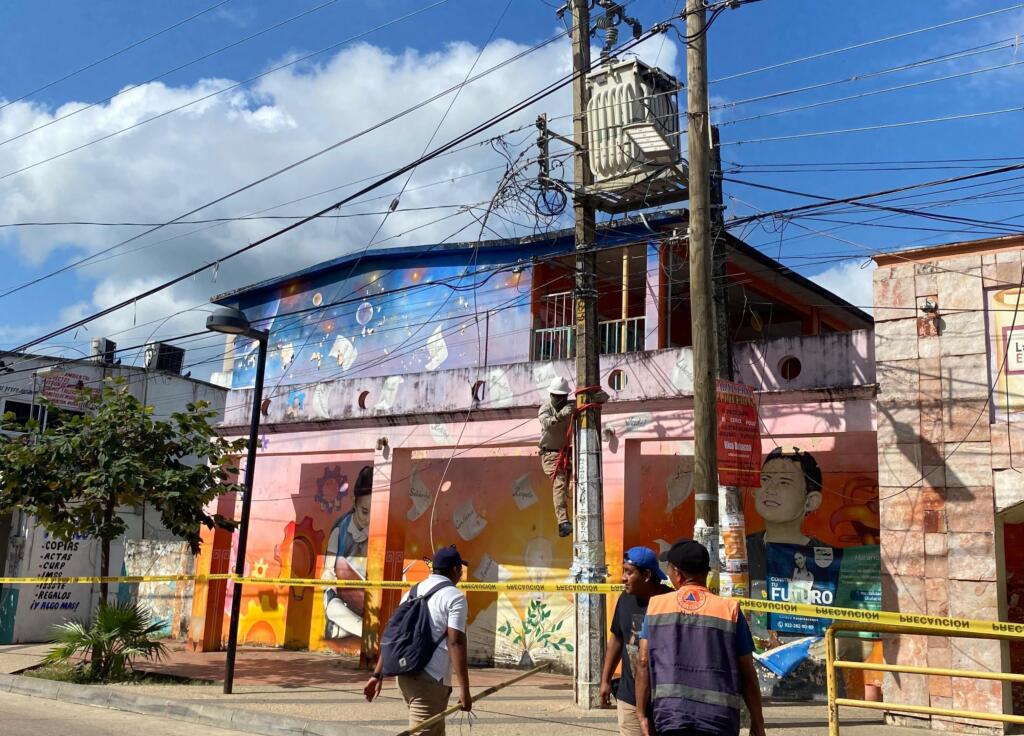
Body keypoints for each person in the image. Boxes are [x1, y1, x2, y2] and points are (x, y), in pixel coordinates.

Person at [635, 539, 766, 736]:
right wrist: (758, 722)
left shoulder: (656, 607)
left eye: (669, 569)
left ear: (677, 573)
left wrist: (642, 715)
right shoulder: (728, 609)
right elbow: (747, 672)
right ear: (706, 572)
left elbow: (643, 663)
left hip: (671, 717)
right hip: (719, 720)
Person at [364, 545, 472, 736]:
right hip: (429, 681)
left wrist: (377, 675)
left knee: (434, 731)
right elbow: (456, 642)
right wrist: (464, 689)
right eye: (461, 570)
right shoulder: (455, 597)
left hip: (405, 676)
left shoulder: (412, 592)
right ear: (455, 570)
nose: (461, 575)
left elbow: (393, 635)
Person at [600, 546, 675, 736]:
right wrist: (605, 680)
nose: (623, 578)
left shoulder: (670, 601)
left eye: (629, 572)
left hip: (665, 701)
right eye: (623, 571)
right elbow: (617, 638)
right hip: (629, 697)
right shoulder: (625, 599)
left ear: (647, 575)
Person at [746, 447, 826, 582]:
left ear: (811, 501)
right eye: (765, 479)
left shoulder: (827, 556)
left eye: (784, 482)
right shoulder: (742, 549)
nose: (770, 489)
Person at [322, 465, 374, 639]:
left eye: (373, 513)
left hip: (371, 600)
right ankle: (368, 634)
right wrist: (333, 583)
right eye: (364, 511)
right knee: (333, 607)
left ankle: (345, 629)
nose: (368, 520)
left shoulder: (379, 531)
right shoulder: (340, 530)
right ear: (354, 502)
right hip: (342, 599)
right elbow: (327, 572)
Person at [538, 375, 574, 537]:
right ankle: (562, 523)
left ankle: (579, 515)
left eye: (563, 397)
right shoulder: (546, 408)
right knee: (559, 484)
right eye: (557, 396)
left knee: (576, 482)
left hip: (567, 452)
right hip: (550, 453)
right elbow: (546, 423)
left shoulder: (570, 407)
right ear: (551, 395)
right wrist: (560, 416)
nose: (560, 399)